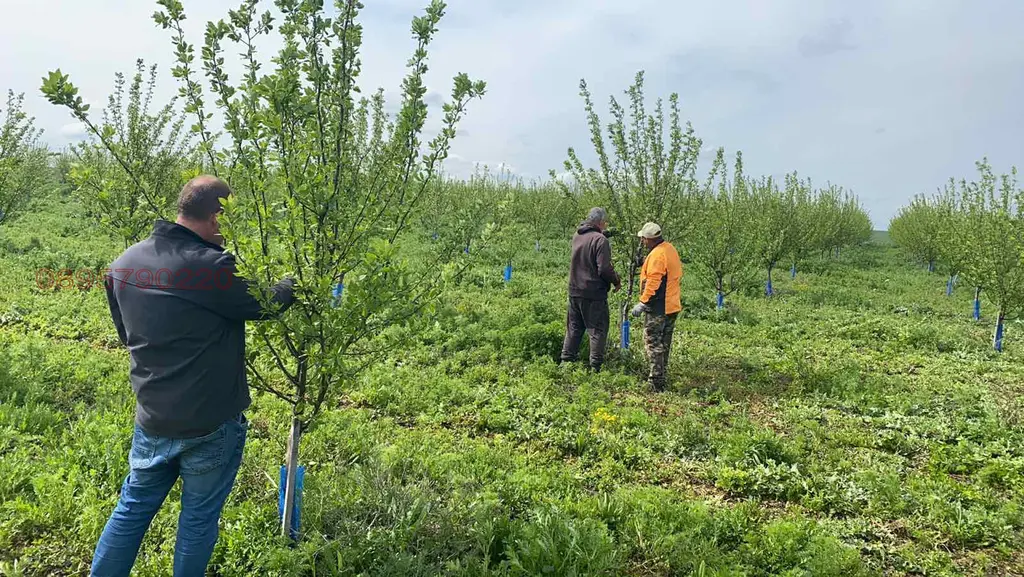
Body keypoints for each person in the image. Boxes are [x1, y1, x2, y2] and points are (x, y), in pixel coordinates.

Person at [91, 176, 297, 577]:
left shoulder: (123, 263)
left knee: (132, 507)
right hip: (209, 422)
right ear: (217, 217)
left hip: (153, 418)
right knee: (198, 519)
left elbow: (127, 336)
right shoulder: (212, 267)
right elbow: (266, 303)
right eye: (228, 220)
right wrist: (293, 282)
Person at [560, 207, 621, 372]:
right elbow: (604, 269)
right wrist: (616, 280)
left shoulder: (577, 235)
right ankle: (596, 368)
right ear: (601, 222)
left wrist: (606, 234)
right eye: (605, 223)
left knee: (574, 328)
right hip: (593, 293)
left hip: (575, 290)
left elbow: (591, 239)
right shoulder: (601, 241)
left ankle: (566, 363)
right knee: (597, 330)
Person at [630, 222, 682, 391]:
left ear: (649, 239)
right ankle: (662, 376)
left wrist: (643, 302)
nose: (642, 242)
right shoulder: (669, 249)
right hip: (672, 305)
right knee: (664, 343)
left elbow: (653, 281)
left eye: (644, 239)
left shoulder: (658, 256)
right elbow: (664, 271)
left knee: (653, 342)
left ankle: (656, 381)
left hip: (659, 307)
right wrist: (645, 262)